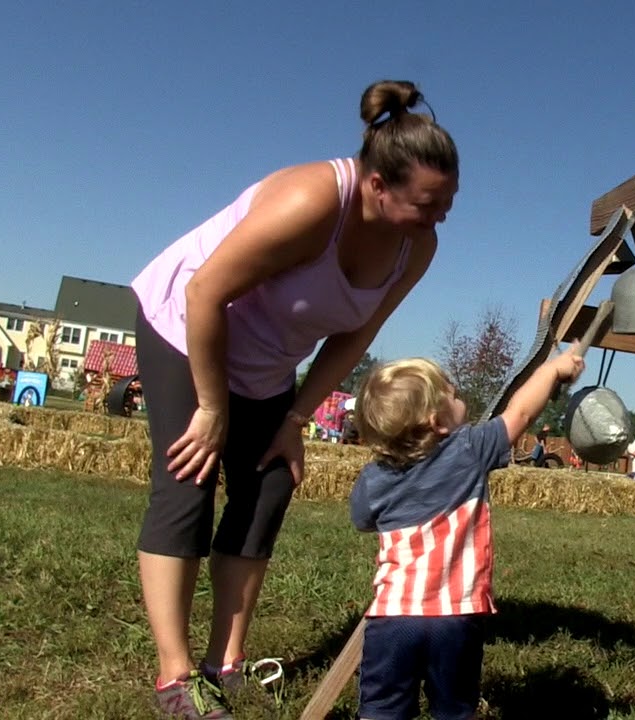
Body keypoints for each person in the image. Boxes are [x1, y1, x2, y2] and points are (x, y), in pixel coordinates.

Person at [129, 79, 459, 717]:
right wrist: (211, 408)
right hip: (185, 327)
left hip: (266, 363)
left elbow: (354, 335)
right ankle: (175, 677)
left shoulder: (419, 246)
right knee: (188, 482)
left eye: (448, 201)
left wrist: (295, 418)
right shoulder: (312, 202)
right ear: (377, 187)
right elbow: (205, 295)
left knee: (270, 482)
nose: (440, 215)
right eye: (427, 202)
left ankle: (225, 662)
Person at [349, 348, 585, 720]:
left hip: (394, 617)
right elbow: (521, 412)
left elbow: (362, 520)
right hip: (457, 618)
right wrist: (554, 369)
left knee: (383, 708)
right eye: (454, 394)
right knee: (454, 707)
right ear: (437, 421)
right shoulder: (469, 450)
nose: (461, 397)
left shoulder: (375, 476)